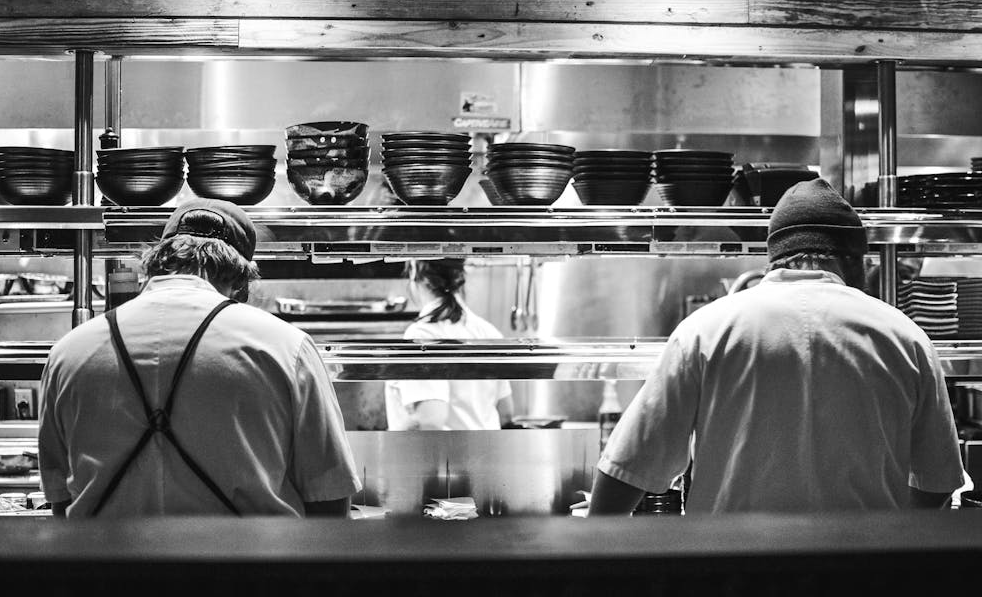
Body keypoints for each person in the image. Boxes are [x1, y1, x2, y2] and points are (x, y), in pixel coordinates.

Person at [590, 178, 965, 514]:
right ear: (856, 260)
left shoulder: (703, 331)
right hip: (862, 579)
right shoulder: (906, 337)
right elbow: (938, 482)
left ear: (774, 257)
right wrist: (893, 535)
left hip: (735, 578)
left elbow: (627, 468)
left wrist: (594, 568)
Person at [38, 198, 360, 518]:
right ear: (241, 281)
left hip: (105, 568)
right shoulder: (287, 348)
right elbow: (329, 500)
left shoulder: (68, 354)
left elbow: (61, 504)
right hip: (256, 564)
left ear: (157, 260)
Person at [385, 259, 514, 430]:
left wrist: (382, 443)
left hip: (445, 455)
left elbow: (430, 418)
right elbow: (506, 413)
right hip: (487, 453)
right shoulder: (488, 331)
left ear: (415, 271)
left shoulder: (422, 335)